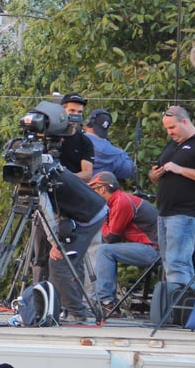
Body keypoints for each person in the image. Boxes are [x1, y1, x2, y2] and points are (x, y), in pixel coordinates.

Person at [149, 105, 195, 289]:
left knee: (178, 261)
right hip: (164, 211)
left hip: (186, 212)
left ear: (185, 121)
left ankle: (183, 309)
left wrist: (179, 169)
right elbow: (154, 173)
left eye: (172, 127)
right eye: (166, 129)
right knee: (168, 262)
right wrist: (155, 174)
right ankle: (176, 307)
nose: (169, 132)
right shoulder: (173, 144)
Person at [86, 170, 160, 308]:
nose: (92, 194)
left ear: (102, 189)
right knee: (104, 250)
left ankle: (106, 302)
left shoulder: (121, 202)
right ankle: (102, 298)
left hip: (154, 250)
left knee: (104, 250)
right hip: (151, 247)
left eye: (94, 190)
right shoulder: (118, 200)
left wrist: (100, 215)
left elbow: (110, 238)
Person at [46, 166, 109, 323]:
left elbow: (46, 212)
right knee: (73, 259)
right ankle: (69, 308)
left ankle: (77, 313)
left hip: (88, 217)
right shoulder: (49, 165)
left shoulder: (40, 177)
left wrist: (55, 242)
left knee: (60, 263)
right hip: (89, 211)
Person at [84, 109, 135, 180]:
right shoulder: (116, 154)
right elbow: (130, 170)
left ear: (89, 122)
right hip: (100, 190)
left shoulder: (77, 140)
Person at [57, 94, 95, 181]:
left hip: (71, 188)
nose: (76, 115)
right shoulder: (48, 137)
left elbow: (87, 174)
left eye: (79, 112)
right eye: (72, 111)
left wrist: (65, 178)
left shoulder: (84, 141)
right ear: (62, 111)